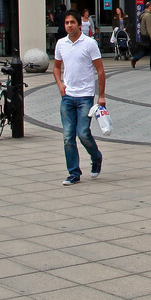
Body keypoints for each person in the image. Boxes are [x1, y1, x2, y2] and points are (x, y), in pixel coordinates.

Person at [50, 13, 105, 186]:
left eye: (72, 22)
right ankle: (74, 172)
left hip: (85, 96)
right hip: (68, 96)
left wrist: (101, 95)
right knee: (68, 136)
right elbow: (56, 68)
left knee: (83, 133)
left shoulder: (89, 43)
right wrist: (60, 84)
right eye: (66, 23)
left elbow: (100, 70)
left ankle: (96, 157)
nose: (69, 25)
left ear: (79, 24)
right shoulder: (61, 44)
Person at [133, 3, 151, 71]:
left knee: (145, 51)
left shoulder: (143, 15)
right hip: (149, 36)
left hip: (144, 36)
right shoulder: (148, 16)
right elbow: (149, 28)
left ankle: (135, 58)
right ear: (149, 7)